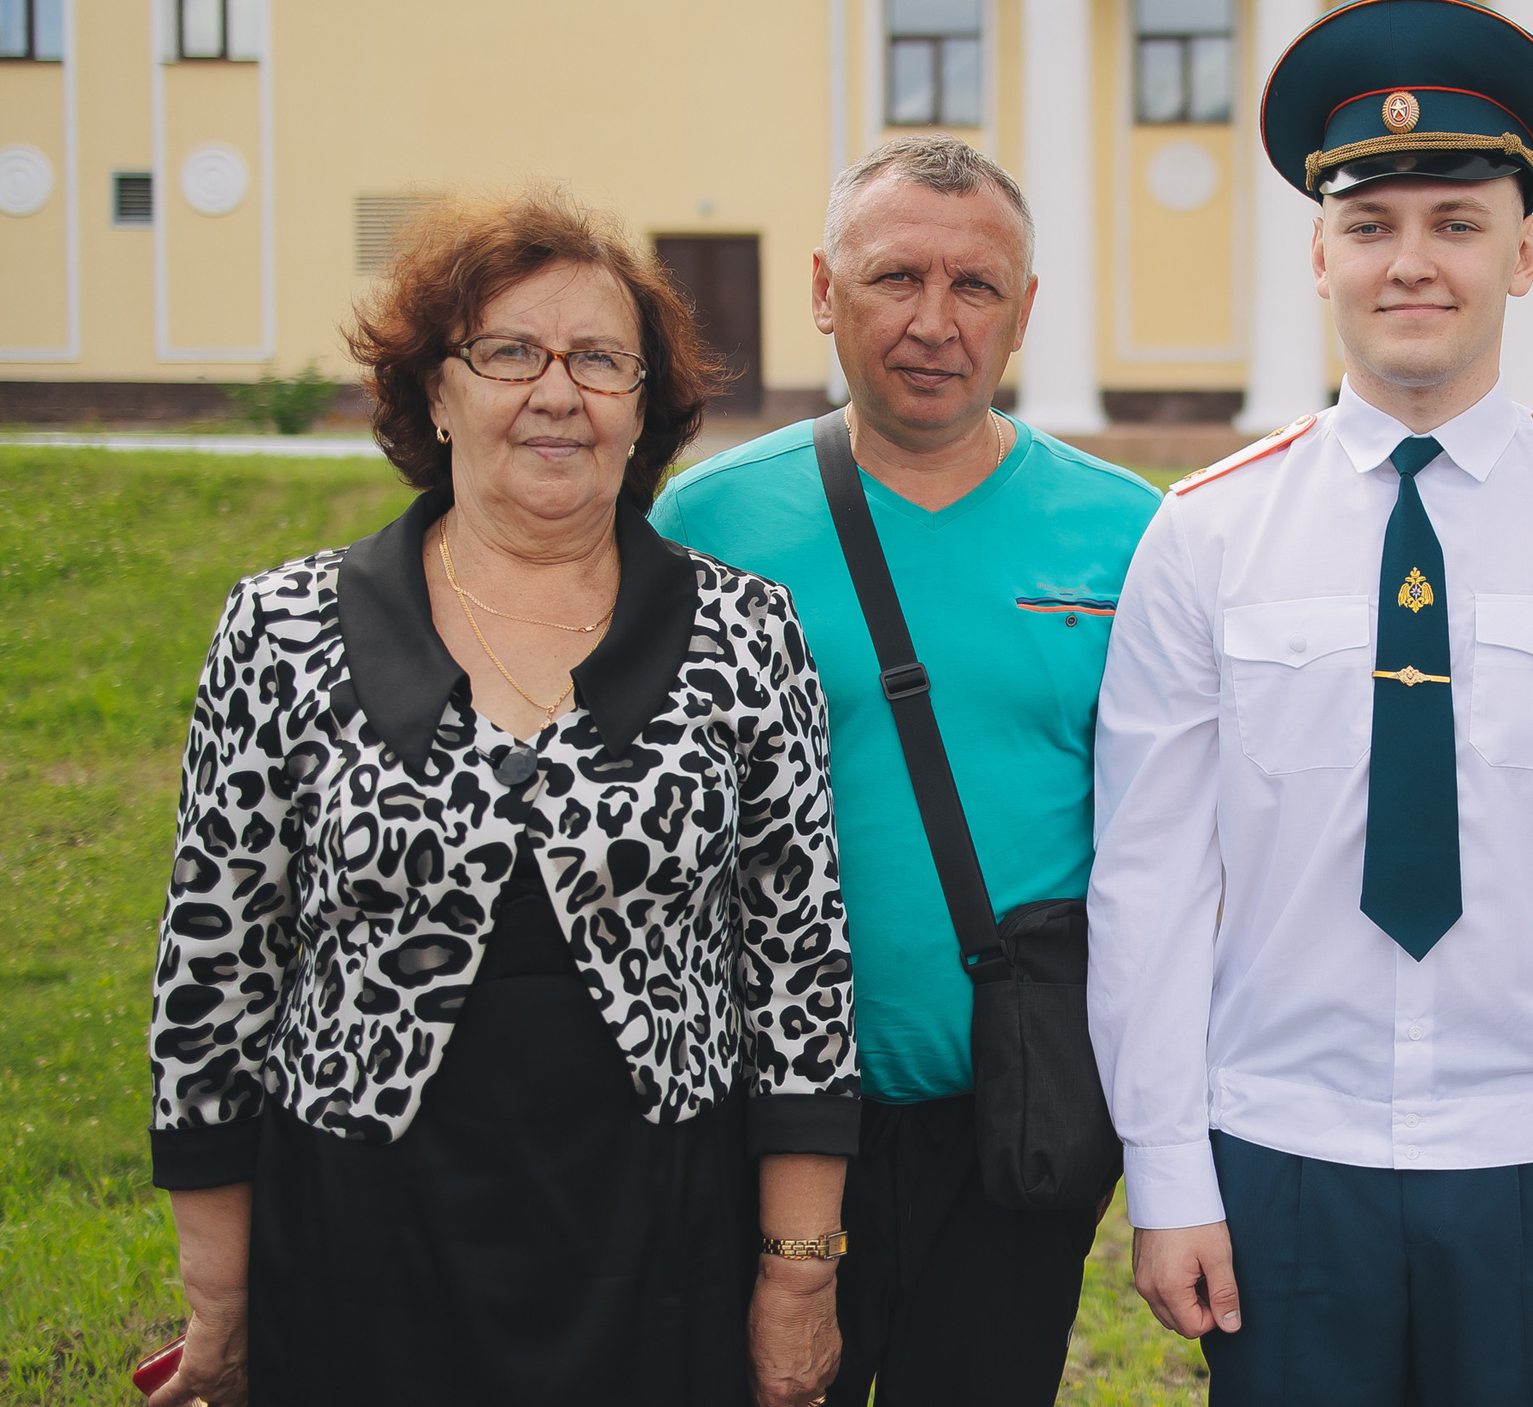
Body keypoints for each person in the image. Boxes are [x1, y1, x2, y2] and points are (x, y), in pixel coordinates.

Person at [1087, 0, 1533, 1406]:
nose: (1413, 261)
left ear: (1524, 253)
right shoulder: (1205, 531)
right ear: (1320, 251)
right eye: (1374, 223)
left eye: (1456, 222)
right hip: (1279, 1151)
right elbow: (1148, 879)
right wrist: (1167, 1163)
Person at [143, 190, 859, 1407]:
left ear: (644, 407)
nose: (557, 391)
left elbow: (798, 974)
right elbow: (215, 982)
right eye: (509, 352)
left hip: (657, 1242)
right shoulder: (284, 628)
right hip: (362, 1239)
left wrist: (798, 1271)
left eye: (600, 359)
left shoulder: (745, 632)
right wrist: (221, 1290)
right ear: (435, 389)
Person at [650, 135, 1161, 1406]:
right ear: (824, 292)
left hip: (1015, 1117)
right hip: (760, 1119)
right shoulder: (704, 526)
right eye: (894, 280)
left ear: (1026, 311)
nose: (934, 323)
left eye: (976, 287)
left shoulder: (1136, 534)